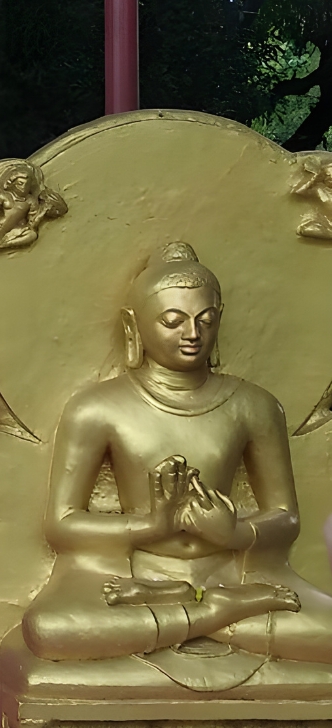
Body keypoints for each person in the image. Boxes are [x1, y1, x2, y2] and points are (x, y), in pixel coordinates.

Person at [22, 243, 332, 665]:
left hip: (231, 573)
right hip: (131, 579)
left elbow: (285, 515)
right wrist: (150, 525)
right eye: (173, 321)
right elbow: (61, 523)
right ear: (134, 326)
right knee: (51, 628)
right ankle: (213, 613)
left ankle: (192, 610)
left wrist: (236, 534)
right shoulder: (97, 408)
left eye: (206, 320)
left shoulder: (255, 405)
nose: (192, 334)